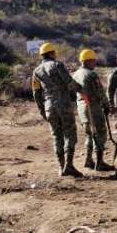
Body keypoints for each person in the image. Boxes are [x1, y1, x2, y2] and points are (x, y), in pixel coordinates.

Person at [32, 42, 84, 177]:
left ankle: (61, 167)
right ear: (51, 53)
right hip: (63, 104)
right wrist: (82, 90)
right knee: (70, 134)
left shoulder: (36, 71)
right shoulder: (57, 65)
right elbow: (69, 82)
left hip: (49, 106)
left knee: (57, 136)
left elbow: (36, 93)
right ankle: (69, 165)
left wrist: (42, 110)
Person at [72, 49, 114, 172]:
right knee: (100, 133)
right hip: (92, 107)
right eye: (94, 61)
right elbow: (100, 92)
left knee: (89, 134)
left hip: (81, 107)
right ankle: (100, 163)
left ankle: (88, 160)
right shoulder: (91, 74)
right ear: (89, 61)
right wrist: (106, 105)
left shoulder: (76, 74)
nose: (95, 63)